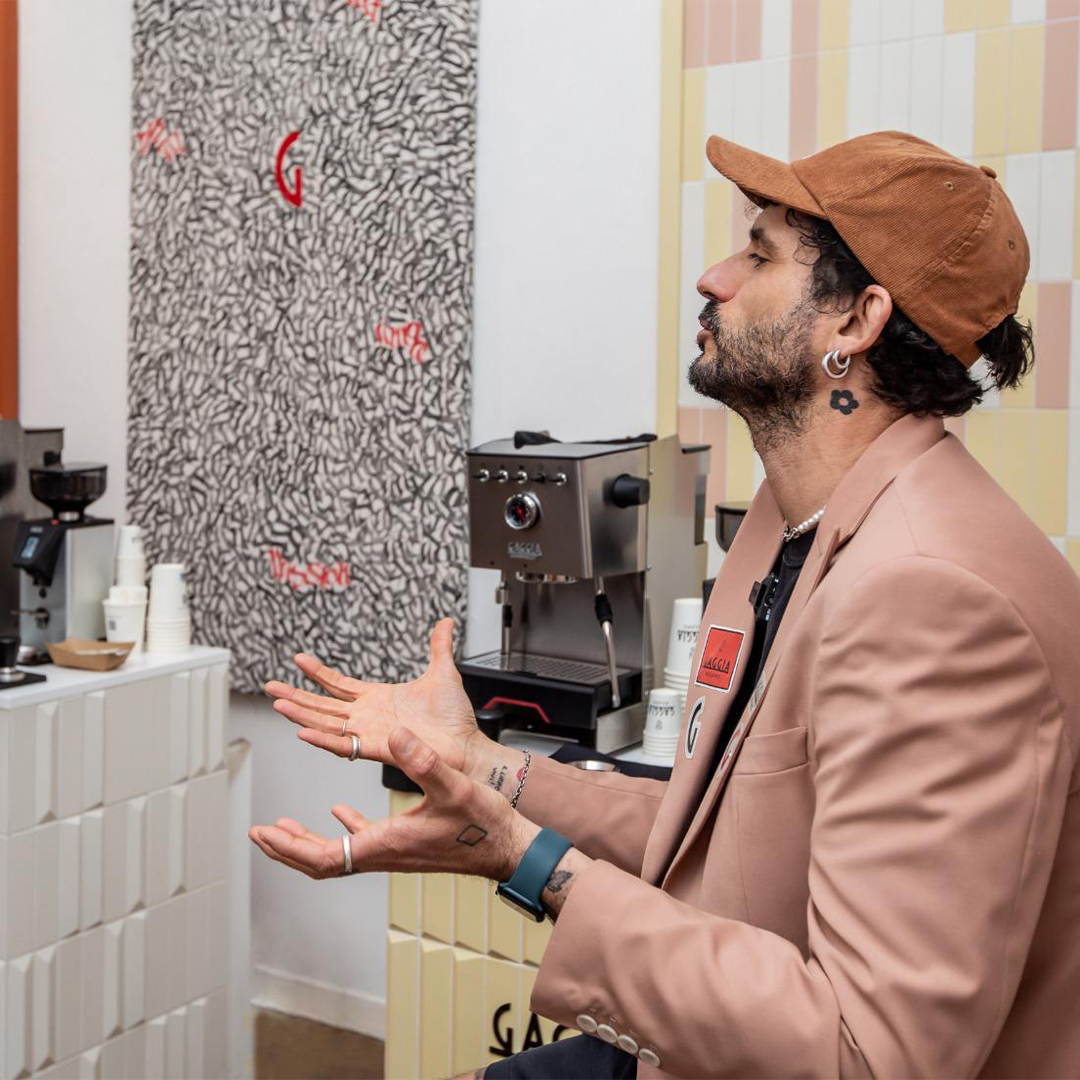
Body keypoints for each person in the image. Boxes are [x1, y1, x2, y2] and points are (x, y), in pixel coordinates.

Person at [249, 131, 1080, 1079]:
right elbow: (718, 832)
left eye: (760, 254)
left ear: (857, 322)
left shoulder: (935, 600)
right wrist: (485, 767)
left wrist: (527, 859)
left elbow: (865, 1054)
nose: (713, 278)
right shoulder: (791, 522)